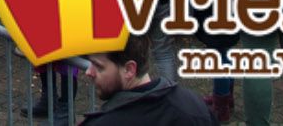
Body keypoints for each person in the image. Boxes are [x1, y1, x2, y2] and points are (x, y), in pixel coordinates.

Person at [78, 32, 212, 125]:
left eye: (98, 66)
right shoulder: (195, 106)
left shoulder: (103, 122)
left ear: (129, 70)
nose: (88, 72)